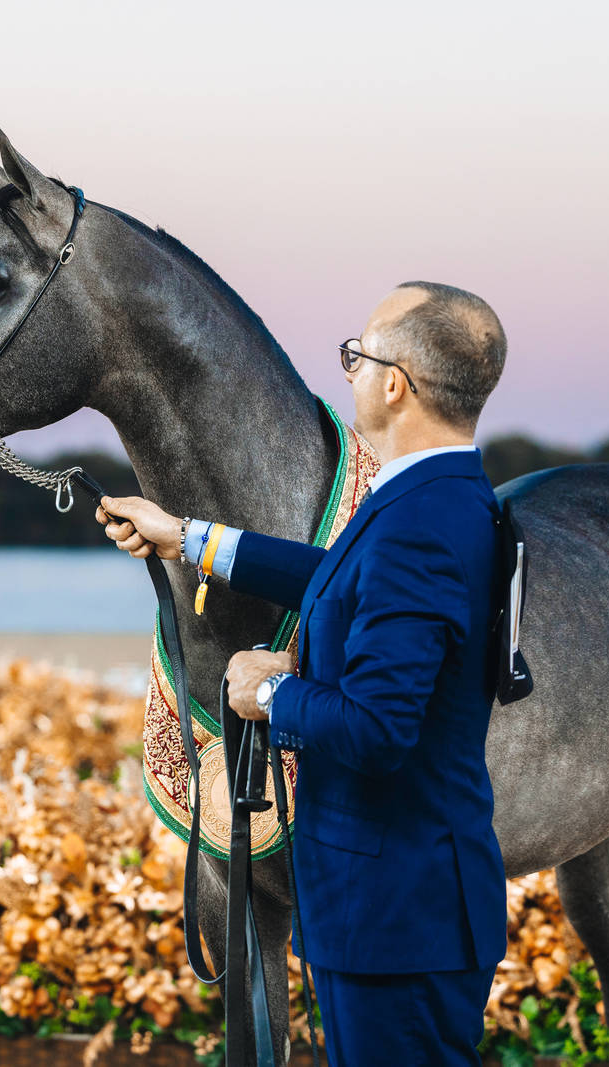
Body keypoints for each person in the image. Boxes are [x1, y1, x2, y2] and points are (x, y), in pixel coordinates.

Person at [95, 281, 509, 1066]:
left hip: (395, 919)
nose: (348, 371)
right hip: (402, 907)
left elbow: (380, 728)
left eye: (358, 355)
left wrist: (269, 693)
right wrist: (186, 538)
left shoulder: (419, 524)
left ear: (396, 383)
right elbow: (339, 578)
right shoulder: (439, 499)